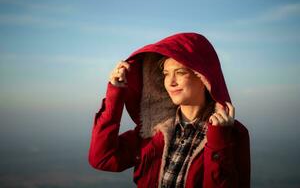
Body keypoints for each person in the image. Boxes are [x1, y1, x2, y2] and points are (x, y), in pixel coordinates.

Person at [88, 32, 250, 188]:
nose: (170, 82)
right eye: (166, 74)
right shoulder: (152, 131)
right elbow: (102, 158)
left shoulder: (231, 135)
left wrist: (218, 142)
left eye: (180, 72)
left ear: (203, 78)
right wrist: (115, 95)